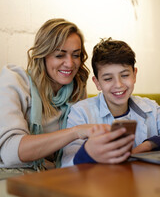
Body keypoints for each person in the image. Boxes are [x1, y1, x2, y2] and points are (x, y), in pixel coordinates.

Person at [0, 18, 102, 173]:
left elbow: (75, 150)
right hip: (11, 173)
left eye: (76, 55)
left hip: (52, 174)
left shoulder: (76, 89)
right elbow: (9, 153)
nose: (70, 63)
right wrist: (76, 132)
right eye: (60, 55)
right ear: (43, 54)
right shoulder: (15, 80)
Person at [61, 37, 160, 167]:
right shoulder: (81, 112)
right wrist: (88, 151)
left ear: (134, 75)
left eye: (124, 75)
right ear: (97, 83)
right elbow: (68, 163)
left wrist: (146, 146)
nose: (118, 85)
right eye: (108, 79)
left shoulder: (151, 108)